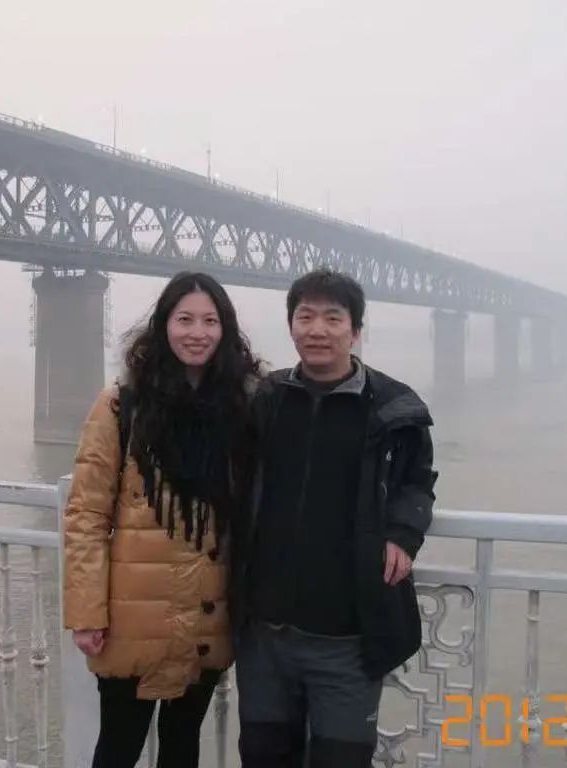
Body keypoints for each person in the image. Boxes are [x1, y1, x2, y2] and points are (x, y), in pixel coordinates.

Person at [232, 268, 437, 768]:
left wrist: (403, 532)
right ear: (291, 326)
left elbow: (417, 480)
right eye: (305, 317)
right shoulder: (263, 400)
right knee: (262, 756)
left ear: (356, 330)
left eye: (332, 317)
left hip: (348, 640)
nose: (317, 330)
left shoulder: (393, 408)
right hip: (265, 636)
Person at [63, 271, 261, 768]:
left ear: (226, 330)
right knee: (119, 747)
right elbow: (86, 514)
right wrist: (86, 612)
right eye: (185, 319)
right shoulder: (121, 404)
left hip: (207, 613)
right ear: (163, 325)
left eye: (210, 321)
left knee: (182, 746)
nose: (198, 333)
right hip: (133, 617)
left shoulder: (243, 407)